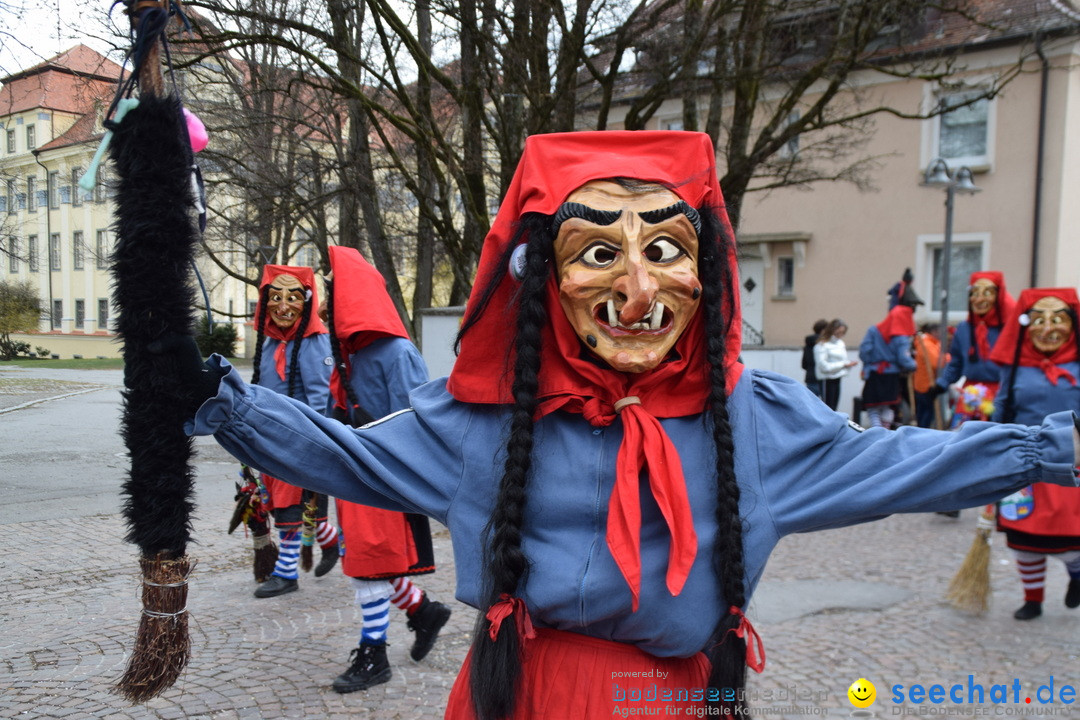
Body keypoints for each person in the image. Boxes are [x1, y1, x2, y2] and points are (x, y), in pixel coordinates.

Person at [172, 132, 1079, 719]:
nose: (638, 293)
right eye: (600, 253)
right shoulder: (483, 420)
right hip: (512, 697)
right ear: (543, 280)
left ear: (706, 268)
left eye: (665, 252)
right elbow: (343, 455)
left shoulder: (753, 424)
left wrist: (1053, 448)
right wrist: (216, 395)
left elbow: (909, 465)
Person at [321, 245, 452, 692]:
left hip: (382, 477)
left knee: (369, 568)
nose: (324, 301)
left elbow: (422, 420)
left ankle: (374, 655)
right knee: (367, 561)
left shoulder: (396, 353)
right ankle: (422, 611)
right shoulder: (347, 355)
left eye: (331, 292)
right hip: (353, 472)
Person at [248, 264, 340, 598]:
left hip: (295, 439)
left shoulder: (315, 342)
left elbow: (319, 397)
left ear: (308, 300)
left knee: (290, 505)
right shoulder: (269, 340)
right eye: (276, 297)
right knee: (276, 500)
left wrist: (310, 442)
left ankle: (286, 573)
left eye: (293, 297)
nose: (284, 306)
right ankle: (333, 542)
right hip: (268, 438)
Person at [989, 287, 1080, 621]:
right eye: (1038, 320)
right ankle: (1033, 599)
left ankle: (1077, 575)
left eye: (1057, 319)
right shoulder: (1014, 369)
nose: (1046, 328)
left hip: (1073, 465)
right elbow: (1001, 408)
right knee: (1023, 536)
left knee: (1070, 540)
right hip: (1025, 462)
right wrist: (987, 447)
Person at [934, 271, 1015, 426]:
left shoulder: (1009, 328)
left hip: (1001, 395)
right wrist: (942, 383)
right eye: (974, 293)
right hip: (969, 395)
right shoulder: (964, 328)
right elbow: (956, 362)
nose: (979, 299)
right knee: (961, 438)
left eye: (987, 293)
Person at [857, 270, 920, 428]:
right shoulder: (901, 337)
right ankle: (882, 432)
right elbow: (903, 358)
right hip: (891, 375)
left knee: (873, 408)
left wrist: (869, 364)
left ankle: (878, 431)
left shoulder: (873, 330)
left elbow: (864, 351)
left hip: (874, 374)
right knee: (888, 407)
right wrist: (913, 365)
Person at [813, 318, 857, 411]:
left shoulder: (840, 343)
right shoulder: (822, 345)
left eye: (842, 333)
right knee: (827, 407)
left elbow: (843, 360)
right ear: (832, 330)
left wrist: (848, 364)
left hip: (837, 376)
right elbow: (823, 366)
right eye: (838, 332)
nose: (840, 335)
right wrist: (843, 365)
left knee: (834, 407)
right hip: (826, 378)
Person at [912, 322, 947, 429]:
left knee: (926, 414)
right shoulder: (927, 344)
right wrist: (950, 358)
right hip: (925, 385)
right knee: (925, 416)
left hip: (926, 383)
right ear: (934, 332)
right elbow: (937, 362)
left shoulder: (932, 343)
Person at [802, 318, 827, 398]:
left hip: (810, 377)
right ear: (823, 330)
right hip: (823, 378)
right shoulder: (824, 344)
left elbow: (804, 364)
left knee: (811, 404)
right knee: (826, 405)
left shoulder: (808, 344)